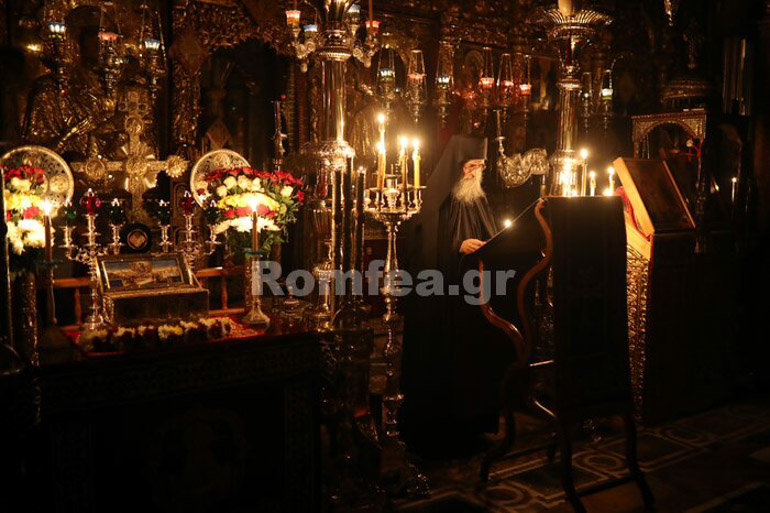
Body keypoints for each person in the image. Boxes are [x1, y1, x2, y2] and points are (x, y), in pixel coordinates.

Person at [400, 135, 514, 454]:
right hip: (444, 299)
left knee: (473, 360)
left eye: (480, 166)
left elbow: (490, 233)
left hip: (474, 297)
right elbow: (423, 249)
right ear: (456, 165)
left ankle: (472, 423)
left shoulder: (478, 198)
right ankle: (441, 427)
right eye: (470, 166)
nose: (475, 172)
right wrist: (457, 246)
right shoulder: (436, 199)